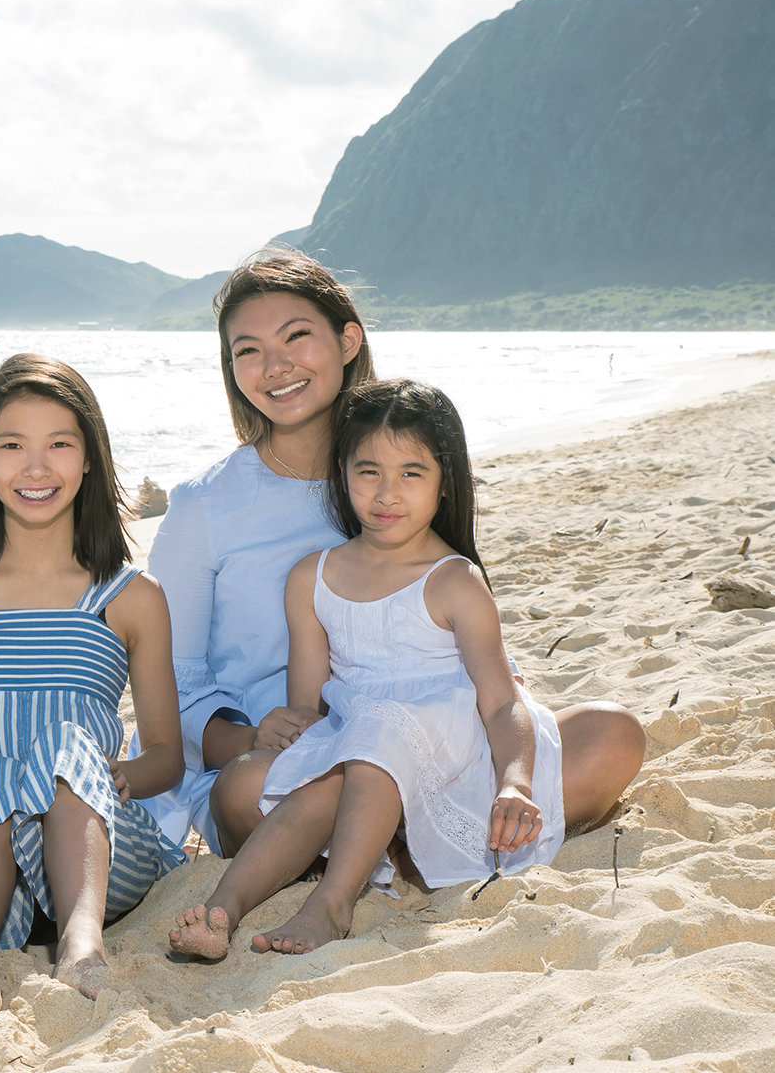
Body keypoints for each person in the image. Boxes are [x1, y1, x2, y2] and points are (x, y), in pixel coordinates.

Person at [137, 248, 643, 863]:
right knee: (247, 791)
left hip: (433, 735)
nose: (275, 366)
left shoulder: (399, 471)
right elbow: (170, 684)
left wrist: (501, 723)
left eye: (297, 336)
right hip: (295, 761)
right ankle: (405, 849)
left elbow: (451, 623)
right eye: (247, 350)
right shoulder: (202, 507)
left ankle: (403, 847)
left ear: (348, 339)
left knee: (613, 733)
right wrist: (245, 735)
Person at [170, 378, 563, 958]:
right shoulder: (313, 576)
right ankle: (221, 911)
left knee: (381, 728)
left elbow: (501, 699)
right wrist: (286, 727)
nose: (386, 493)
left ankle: (332, 902)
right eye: (367, 471)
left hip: (455, 750)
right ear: (343, 474)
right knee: (319, 773)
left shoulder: (454, 580)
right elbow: (311, 709)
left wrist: (515, 782)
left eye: (412, 473)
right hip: (361, 747)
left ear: (444, 483)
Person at [0, 353, 185, 1019]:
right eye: (14, 445)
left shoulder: (132, 597)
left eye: (59, 445)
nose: (36, 467)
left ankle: (80, 944)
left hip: (96, 846)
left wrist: (109, 778)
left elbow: (167, 755)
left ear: (89, 457)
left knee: (67, 749)